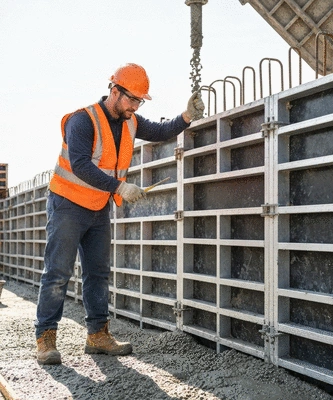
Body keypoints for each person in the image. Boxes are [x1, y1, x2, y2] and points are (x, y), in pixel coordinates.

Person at [35, 63, 205, 365]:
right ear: (114, 91)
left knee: (98, 274)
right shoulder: (82, 120)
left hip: (98, 207)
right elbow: (80, 165)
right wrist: (120, 187)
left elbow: (161, 131)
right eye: (132, 99)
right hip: (67, 204)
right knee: (58, 273)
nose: (135, 107)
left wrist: (186, 116)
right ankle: (45, 338)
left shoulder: (130, 121)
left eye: (140, 101)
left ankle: (97, 335)